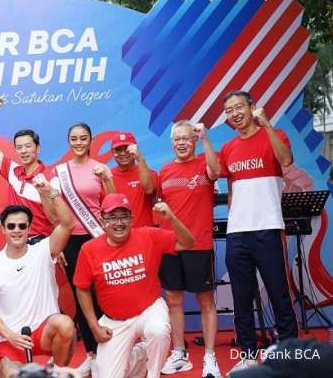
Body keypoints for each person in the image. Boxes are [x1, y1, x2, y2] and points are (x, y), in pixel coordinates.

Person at [219, 91, 298, 373]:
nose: (235, 113)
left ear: (252, 108)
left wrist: (267, 126)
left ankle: (289, 353)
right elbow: (231, 191)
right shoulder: (227, 148)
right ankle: (248, 354)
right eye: (229, 110)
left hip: (267, 227)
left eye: (239, 107)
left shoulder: (274, 134)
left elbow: (286, 161)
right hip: (238, 232)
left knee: (278, 293)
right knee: (241, 296)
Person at [74, 194, 194, 378]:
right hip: (115, 320)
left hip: (149, 309)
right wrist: (94, 326)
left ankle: (153, 374)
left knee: (159, 330)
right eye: (112, 217)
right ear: (102, 220)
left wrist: (172, 218)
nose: (119, 223)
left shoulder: (148, 235)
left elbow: (187, 243)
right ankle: (139, 356)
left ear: (131, 219)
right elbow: (81, 288)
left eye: (123, 216)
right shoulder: (89, 249)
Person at [0, 174, 76, 378]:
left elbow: (68, 224)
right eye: (11, 226)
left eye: (22, 226)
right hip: (12, 339)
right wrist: (10, 335)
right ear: (3, 230)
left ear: (29, 228)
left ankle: (56, 372)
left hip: (44, 333)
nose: (17, 230)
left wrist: (50, 190)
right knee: (10, 374)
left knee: (65, 324)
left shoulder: (43, 250)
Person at [157, 121, 222, 378]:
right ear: (172, 142)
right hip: (170, 246)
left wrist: (205, 138)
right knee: (173, 299)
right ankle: (179, 353)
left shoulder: (204, 164)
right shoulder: (165, 171)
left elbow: (216, 171)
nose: (181, 143)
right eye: (177, 139)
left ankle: (209, 357)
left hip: (199, 244)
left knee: (205, 301)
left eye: (186, 138)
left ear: (193, 142)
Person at [49, 122, 115, 376]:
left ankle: (111, 352)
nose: (78, 143)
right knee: (82, 298)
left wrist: (107, 179)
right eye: (74, 139)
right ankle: (92, 355)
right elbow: (55, 214)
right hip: (72, 242)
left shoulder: (100, 168)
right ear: (69, 141)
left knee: (104, 297)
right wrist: (60, 244)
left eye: (83, 138)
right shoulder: (60, 172)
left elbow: (111, 203)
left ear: (91, 141)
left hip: (98, 238)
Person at [0, 96, 54, 241]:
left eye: (28, 146)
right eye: (19, 147)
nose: (23, 151)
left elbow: (57, 218)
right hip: (15, 240)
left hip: (41, 241)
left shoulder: (50, 177)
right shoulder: (12, 171)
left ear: (38, 148)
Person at [110, 132, 158, 227]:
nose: (123, 153)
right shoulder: (108, 176)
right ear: (112, 152)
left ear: (135, 150)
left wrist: (140, 159)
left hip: (145, 234)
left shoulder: (149, 172)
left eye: (127, 148)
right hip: (119, 235)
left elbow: (149, 190)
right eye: (118, 149)